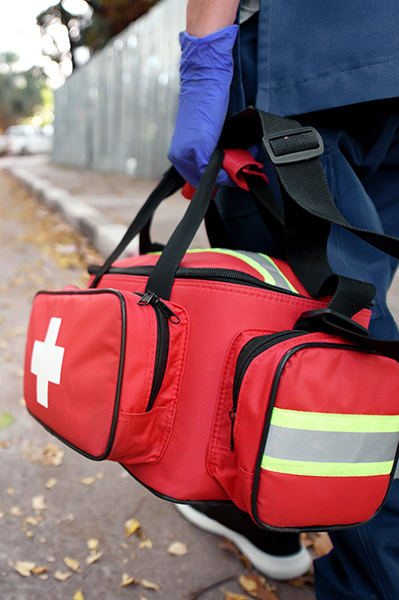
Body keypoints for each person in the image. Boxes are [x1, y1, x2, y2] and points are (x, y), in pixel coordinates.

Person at [167, 1, 399, 598]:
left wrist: (204, 63)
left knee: (327, 339)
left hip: (299, 63)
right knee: (354, 314)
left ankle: (369, 575)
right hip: (386, 62)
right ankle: (265, 508)